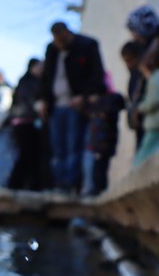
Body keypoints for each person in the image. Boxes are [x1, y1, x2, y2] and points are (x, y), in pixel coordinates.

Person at [39, 22, 107, 194]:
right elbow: (46, 77)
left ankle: (70, 186)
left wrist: (84, 96)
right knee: (58, 149)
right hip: (56, 106)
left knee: (73, 148)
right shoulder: (52, 50)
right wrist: (42, 100)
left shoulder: (87, 45)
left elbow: (97, 74)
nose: (60, 44)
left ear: (68, 33)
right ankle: (59, 185)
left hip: (76, 106)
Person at [8, 58, 49, 191]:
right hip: (24, 122)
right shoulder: (28, 82)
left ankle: (26, 185)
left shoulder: (27, 82)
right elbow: (30, 101)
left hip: (26, 122)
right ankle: (14, 185)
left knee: (30, 155)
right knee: (26, 155)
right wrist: (38, 107)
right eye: (39, 67)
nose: (42, 70)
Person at [82, 80, 126, 197]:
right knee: (98, 167)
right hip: (99, 144)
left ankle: (99, 190)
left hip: (104, 144)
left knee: (99, 168)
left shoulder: (109, 102)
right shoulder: (100, 105)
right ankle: (98, 190)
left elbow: (118, 105)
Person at [0, 69, 17, 188]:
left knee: (2, 157)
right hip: (8, 126)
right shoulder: (8, 89)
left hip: (5, 127)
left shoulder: (5, 90)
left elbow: (3, 110)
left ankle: (3, 184)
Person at [121, 41, 148, 151]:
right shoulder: (134, 76)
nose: (128, 64)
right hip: (139, 125)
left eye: (130, 60)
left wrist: (139, 108)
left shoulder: (144, 74)